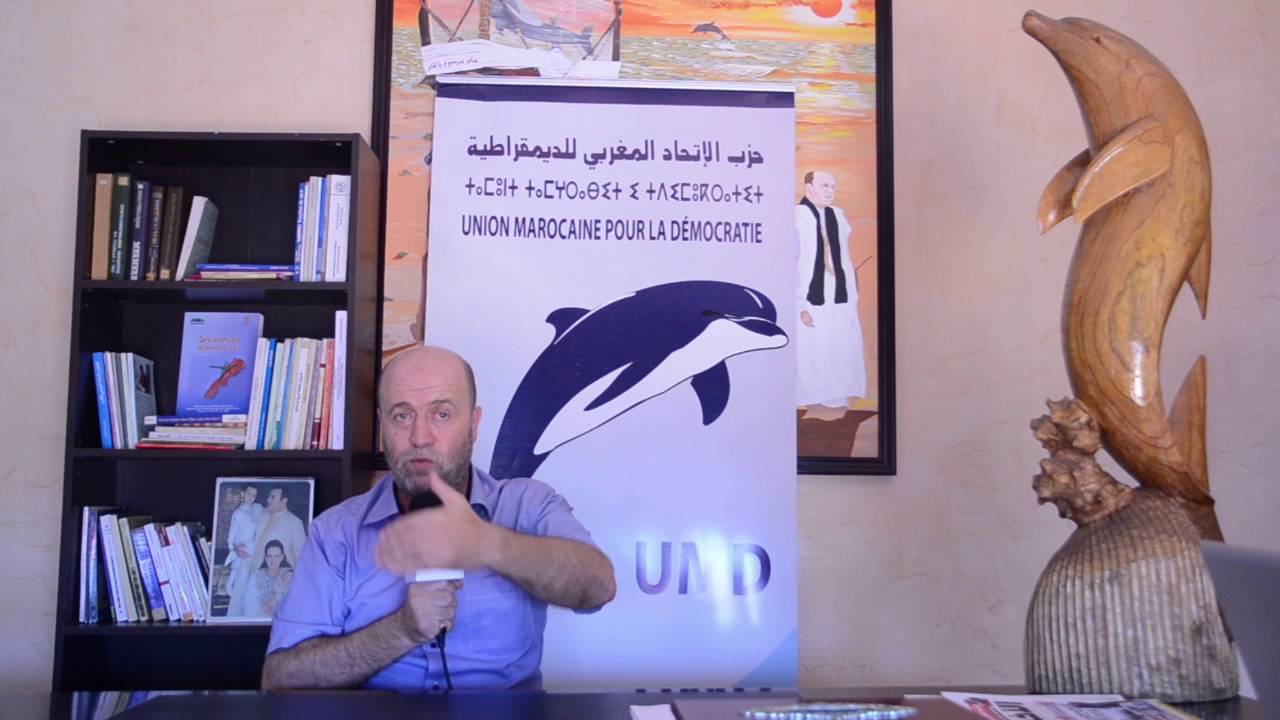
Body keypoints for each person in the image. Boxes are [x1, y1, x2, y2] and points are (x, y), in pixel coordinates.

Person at [261, 345, 616, 692]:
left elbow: (598, 587)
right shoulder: (337, 532)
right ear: (382, 426)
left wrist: (489, 544)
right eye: (402, 416)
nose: (420, 437)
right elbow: (281, 678)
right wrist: (401, 630)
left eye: (441, 414)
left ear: (474, 424)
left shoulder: (527, 505)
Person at [795, 170, 866, 414]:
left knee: (839, 343)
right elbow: (791, 262)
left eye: (833, 187)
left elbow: (844, 256)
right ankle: (811, 400)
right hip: (810, 297)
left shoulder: (838, 216)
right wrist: (799, 304)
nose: (830, 191)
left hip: (840, 295)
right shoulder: (797, 217)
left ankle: (836, 398)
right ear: (808, 188)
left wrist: (853, 291)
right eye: (824, 186)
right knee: (812, 347)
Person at [229, 486, 306, 616]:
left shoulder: (295, 522)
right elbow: (244, 533)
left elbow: (302, 558)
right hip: (248, 573)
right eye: (269, 496)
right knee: (240, 613)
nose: (268, 500)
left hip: (273, 581)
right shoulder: (261, 514)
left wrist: (289, 576)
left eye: (272, 497)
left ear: (284, 501)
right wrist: (237, 546)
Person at [223, 484, 263, 602]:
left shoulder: (258, 508)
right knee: (239, 563)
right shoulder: (238, 513)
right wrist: (232, 548)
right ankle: (230, 586)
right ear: (243, 494)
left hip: (254, 544)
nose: (251, 497)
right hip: (241, 546)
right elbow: (231, 534)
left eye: (254, 495)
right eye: (249, 494)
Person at [248, 540, 294, 618]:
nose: (273, 560)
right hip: (258, 617)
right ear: (265, 557)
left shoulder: (288, 574)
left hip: (282, 618)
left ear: (282, 557)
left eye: (277, 556)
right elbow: (250, 603)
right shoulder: (256, 576)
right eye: (269, 556)